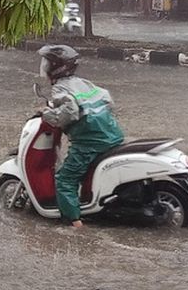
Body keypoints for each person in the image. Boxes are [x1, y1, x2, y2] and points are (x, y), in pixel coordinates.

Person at [37, 44, 125, 227]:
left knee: (65, 180)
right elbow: (108, 100)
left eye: (46, 63)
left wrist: (46, 114)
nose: (43, 67)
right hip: (113, 136)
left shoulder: (60, 88)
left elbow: (70, 111)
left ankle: (74, 224)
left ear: (56, 66)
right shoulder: (83, 82)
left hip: (90, 143)